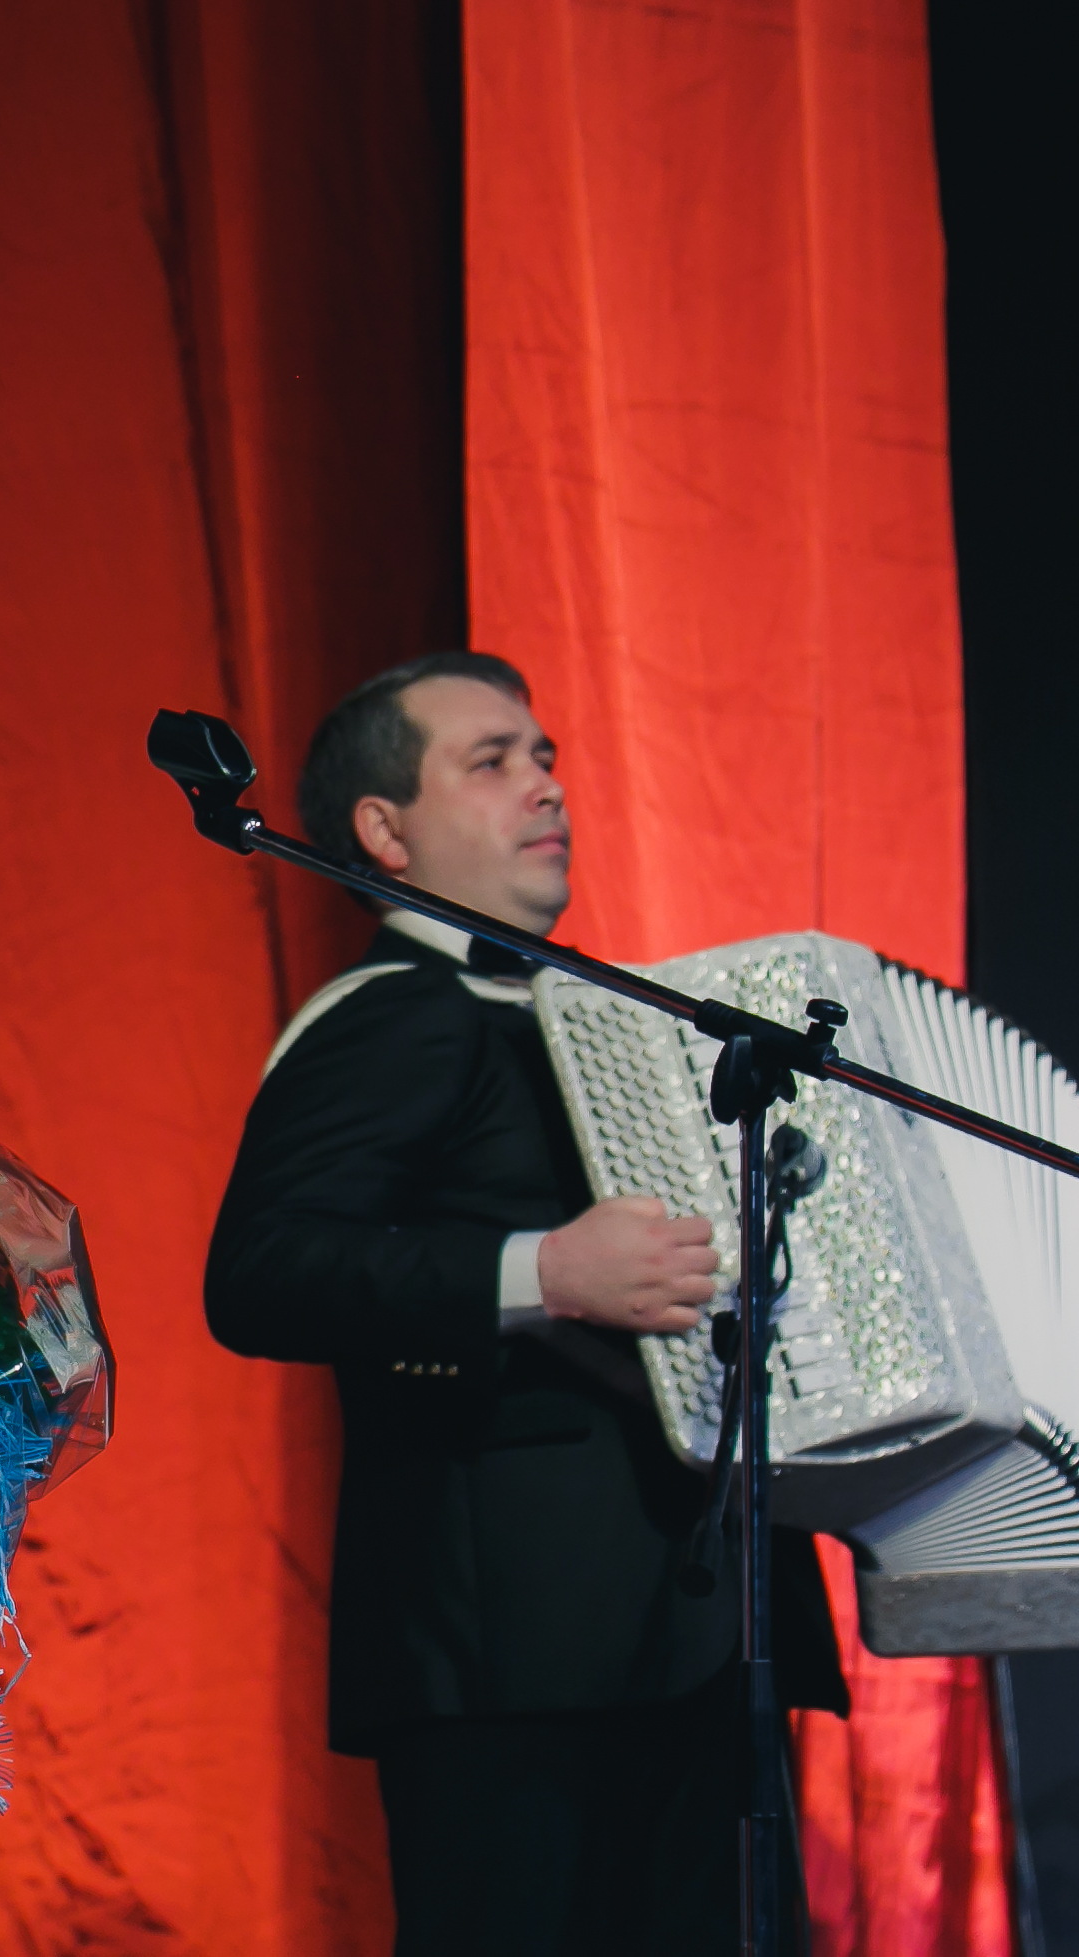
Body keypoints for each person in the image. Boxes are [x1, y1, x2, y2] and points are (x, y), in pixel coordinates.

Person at [207, 652, 853, 1956]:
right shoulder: (395, 1017)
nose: (545, 785)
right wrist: (541, 1272)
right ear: (385, 830)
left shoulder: (607, 1021)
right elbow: (261, 1270)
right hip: (510, 1656)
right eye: (491, 761)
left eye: (545, 757)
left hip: (699, 1629)